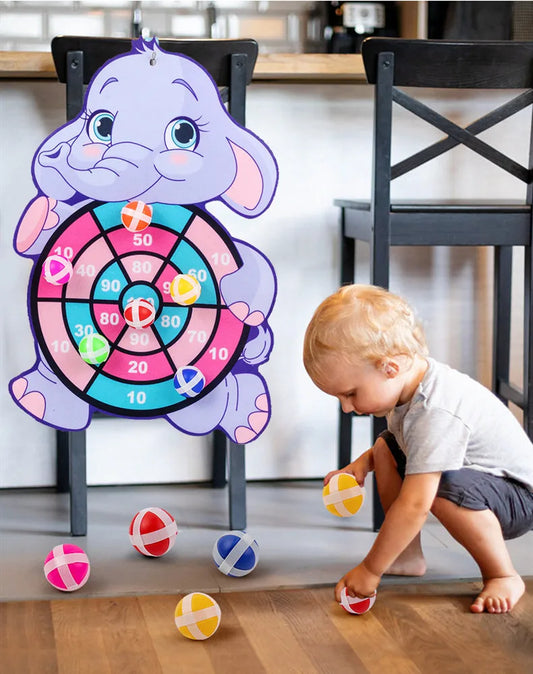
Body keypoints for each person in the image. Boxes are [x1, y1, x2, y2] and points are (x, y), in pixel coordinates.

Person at [303, 283, 533, 614]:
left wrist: (370, 570)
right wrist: (364, 463)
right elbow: (403, 442)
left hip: (518, 498)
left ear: (389, 368)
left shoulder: (436, 409)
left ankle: (503, 574)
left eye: (350, 393)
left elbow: (415, 505)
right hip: (483, 482)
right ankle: (406, 554)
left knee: (435, 488)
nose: (346, 408)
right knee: (384, 449)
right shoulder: (409, 386)